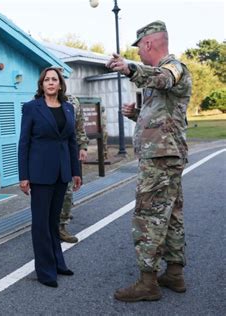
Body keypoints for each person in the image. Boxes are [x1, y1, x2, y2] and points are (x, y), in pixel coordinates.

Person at [106, 21, 191, 302]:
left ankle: (148, 282)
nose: (139, 54)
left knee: (148, 216)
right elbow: (165, 116)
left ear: (148, 44)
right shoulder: (159, 76)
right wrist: (136, 114)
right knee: (171, 215)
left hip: (160, 160)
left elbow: (164, 79)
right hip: (165, 156)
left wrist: (130, 68)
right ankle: (174, 274)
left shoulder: (173, 67)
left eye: (140, 49)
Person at [18, 67, 82, 288]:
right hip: (40, 173)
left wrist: (76, 171)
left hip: (62, 173)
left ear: (60, 84)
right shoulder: (31, 108)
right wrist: (24, 176)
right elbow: (24, 143)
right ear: (42, 84)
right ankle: (45, 270)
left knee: (54, 222)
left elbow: (72, 141)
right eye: (47, 80)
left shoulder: (68, 108)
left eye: (55, 79)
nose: (51, 83)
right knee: (40, 224)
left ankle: (58, 263)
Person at [59, 94, 89, 243]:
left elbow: (79, 126)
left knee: (67, 190)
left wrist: (83, 146)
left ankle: (61, 226)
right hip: (47, 154)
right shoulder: (37, 101)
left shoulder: (72, 100)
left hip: (68, 151)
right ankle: (47, 227)